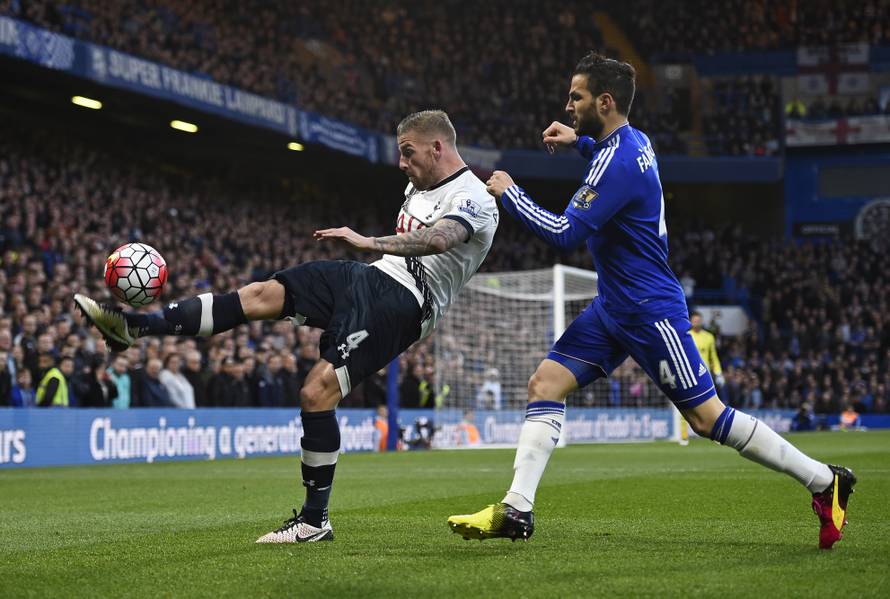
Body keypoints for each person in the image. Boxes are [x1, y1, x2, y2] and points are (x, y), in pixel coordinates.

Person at [448, 53, 855, 550]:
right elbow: (605, 157)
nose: (567, 105)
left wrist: (510, 193)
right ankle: (518, 509)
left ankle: (823, 480)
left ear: (605, 100)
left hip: (648, 311)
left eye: (576, 97)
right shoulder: (633, 142)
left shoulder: (616, 161)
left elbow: (563, 231)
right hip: (612, 306)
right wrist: (580, 141)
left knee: (707, 419)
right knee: (544, 382)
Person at [75, 109, 498, 543]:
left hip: (405, 303)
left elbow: (440, 238)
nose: (402, 164)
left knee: (316, 393)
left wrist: (368, 240)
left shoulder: (474, 197)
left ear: (438, 147)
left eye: (408, 153)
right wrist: (370, 252)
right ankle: (133, 327)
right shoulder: (417, 186)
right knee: (260, 294)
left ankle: (315, 521)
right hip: (367, 276)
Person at [690, 311, 724, 387]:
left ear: (701, 321)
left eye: (698, 321)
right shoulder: (687, 336)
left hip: (705, 372)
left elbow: (713, 357)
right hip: (691, 371)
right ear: (690, 321)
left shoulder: (709, 337)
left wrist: (718, 373)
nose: (696, 323)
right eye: (694, 321)